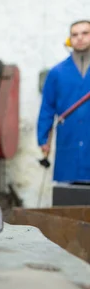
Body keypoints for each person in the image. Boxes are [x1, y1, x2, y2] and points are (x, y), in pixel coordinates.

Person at [38, 19, 90, 182]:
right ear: (69, 39)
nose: (80, 38)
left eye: (85, 33)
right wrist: (43, 138)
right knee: (68, 200)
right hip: (68, 142)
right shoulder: (57, 73)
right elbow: (47, 107)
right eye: (75, 34)